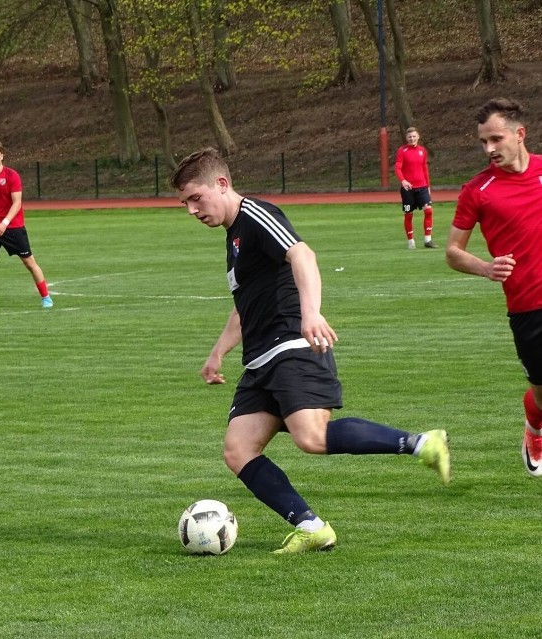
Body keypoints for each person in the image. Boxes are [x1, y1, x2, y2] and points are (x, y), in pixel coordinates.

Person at [171, 148, 451, 554]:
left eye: (196, 198)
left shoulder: (255, 215)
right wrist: (218, 353)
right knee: (238, 450)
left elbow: (303, 254)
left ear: (222, 184)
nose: (192, 210)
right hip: (260, 359)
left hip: (291, 345)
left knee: (312, 437)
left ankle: (423, 443)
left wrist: (312, 314)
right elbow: (245, 305)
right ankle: (311, 526)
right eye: (185, 203)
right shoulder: (233, 238)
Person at [446, 97, 542, 478]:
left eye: (496, 139)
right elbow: (452, 252)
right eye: (483, 141)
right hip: (526, 305)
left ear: (520, 134)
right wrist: (486, 268)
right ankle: (535, 422)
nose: (489, 149)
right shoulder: (478, 190)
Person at [0, 140, 53, 310]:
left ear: (2, 156)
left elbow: (17, 203)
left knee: (29, 263)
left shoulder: (11, 175)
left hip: (13, 227)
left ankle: (46, 297)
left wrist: (4, 223)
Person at [395, 126, 437, 249]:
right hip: (408, 190)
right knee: (408, 213)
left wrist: (428, 185)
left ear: (418, 137)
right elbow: (397, 167)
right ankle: (411, 241)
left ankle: (428, 240)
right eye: (409, 137)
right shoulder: (402, 151)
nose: (412, 138)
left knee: (428, 210)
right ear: (406, 138)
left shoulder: (422, 151)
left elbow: (424, 168)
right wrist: (403, 181)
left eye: (414, 136)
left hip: (422, 187)